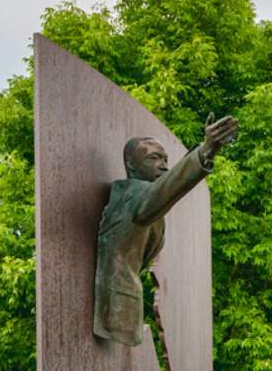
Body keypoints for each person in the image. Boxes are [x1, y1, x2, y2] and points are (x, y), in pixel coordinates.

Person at [93, 113, 238, 345]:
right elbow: (170, 186)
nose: (163, 166)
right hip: (113, 305)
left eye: (166, 159)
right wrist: (205, 151)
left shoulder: (149, 199)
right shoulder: (132, 194)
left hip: (121, 307)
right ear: (131, 164)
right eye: (154, 159)